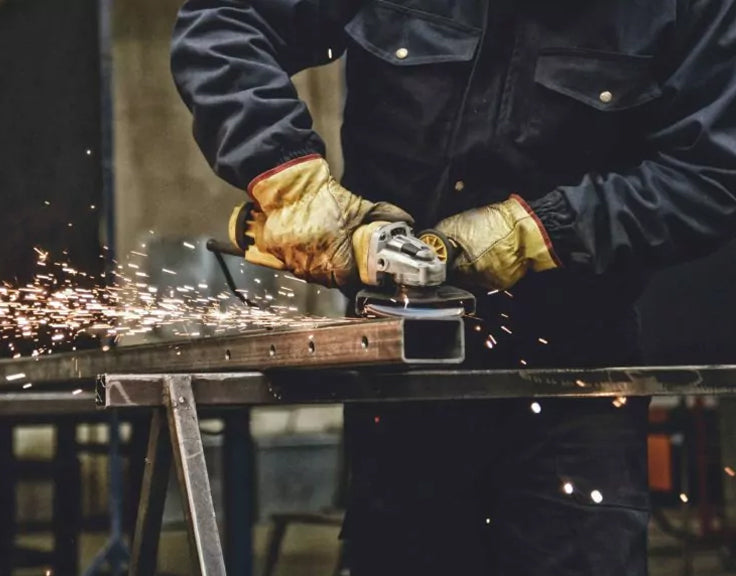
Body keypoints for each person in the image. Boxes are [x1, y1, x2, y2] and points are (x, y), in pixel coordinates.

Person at [170, 0, 736, 574]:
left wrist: (537, 232)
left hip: (576, 376)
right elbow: (226, 23)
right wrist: (290, 178)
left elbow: (711, 174)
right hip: (399, 370)